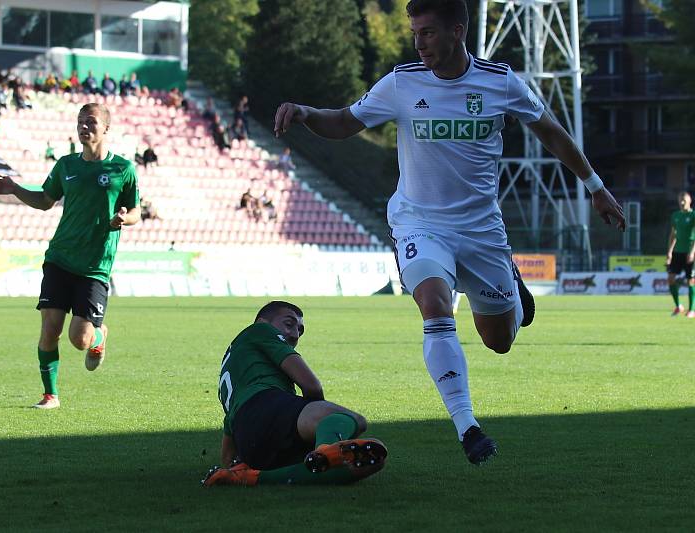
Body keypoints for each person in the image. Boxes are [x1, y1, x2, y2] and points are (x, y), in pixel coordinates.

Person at [273, 0, 626, 465]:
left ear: (458, 31)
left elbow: (552, 131)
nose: (419, 43)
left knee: (499, 341)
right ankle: (468, 427)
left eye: (429, 33)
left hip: (481, 231)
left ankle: (512, 294)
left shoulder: (499, 82)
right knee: (435, 306)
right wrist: (304, 111)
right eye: (415, 33)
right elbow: (344, 121)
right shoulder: (401, 83)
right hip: (419, 223)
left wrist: (596, 188)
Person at [0, 103, 141, 409]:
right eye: (80, 122)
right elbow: (46, 200)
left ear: (106, 128)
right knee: (50, 329)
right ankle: (50, 395)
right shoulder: (66, 165)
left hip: (95, 266)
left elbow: (136, 210)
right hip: (60, 258)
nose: (84, 127)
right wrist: (14, 188)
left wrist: (125, 218)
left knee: (80, 339)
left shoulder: (123, 170)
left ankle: (99, 338)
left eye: (91, 122)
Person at [202, 301, 387, 487]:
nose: (295, 334)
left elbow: (228, 450)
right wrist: (316, 420)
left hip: (250, 441)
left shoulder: (239, 363)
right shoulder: (260, 331)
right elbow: (312, 386)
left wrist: (231, 463)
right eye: (289, 324)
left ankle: (250, 477)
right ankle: (324, 449)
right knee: (351, 419)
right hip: (267, 409)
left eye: (300, 330)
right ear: (262, 321)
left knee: (371, 459)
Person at [665, 191, 695, 317]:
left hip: (690, 252)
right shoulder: (675, 215)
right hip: (677, 252)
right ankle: (678, 306)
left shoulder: (693, 215)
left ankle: (692, 310)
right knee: (671, 279)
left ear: (690, 201)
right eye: (680, 200)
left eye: (684, 200)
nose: (682, 203)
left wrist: (692, 252)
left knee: (691, 281)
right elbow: (673, 235)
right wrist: (670, 252)